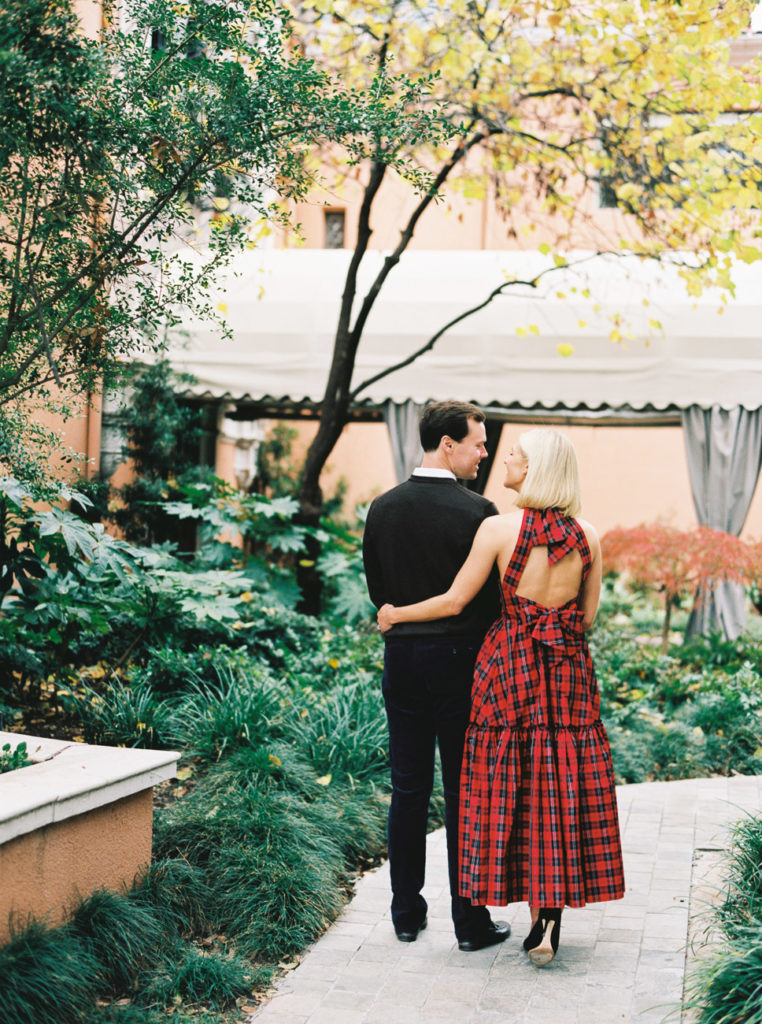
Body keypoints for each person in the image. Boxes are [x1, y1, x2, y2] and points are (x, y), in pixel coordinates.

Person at [378, 428, 625, 967]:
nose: (503, 460)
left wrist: (396, 614)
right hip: (567, 672)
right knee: (557, 782)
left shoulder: (497, 528)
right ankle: (547, 912)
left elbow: (453, 601)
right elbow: (587, 617)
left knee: (506, 782)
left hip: (509, 669)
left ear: (535, 469)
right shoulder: (588, 535)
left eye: (514, 455)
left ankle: (487, 899)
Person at [363, 400, 511, 951]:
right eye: (477, 442)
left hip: (401, 660)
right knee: (462, 793)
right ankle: (470, 924)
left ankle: (405, 913)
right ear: (447, 443)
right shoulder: (479, 513)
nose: (484, 452)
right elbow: (490, 599)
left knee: (408, 788)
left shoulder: (382, 507)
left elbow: (379, 593)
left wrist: (400, 617)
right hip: (461, 665)